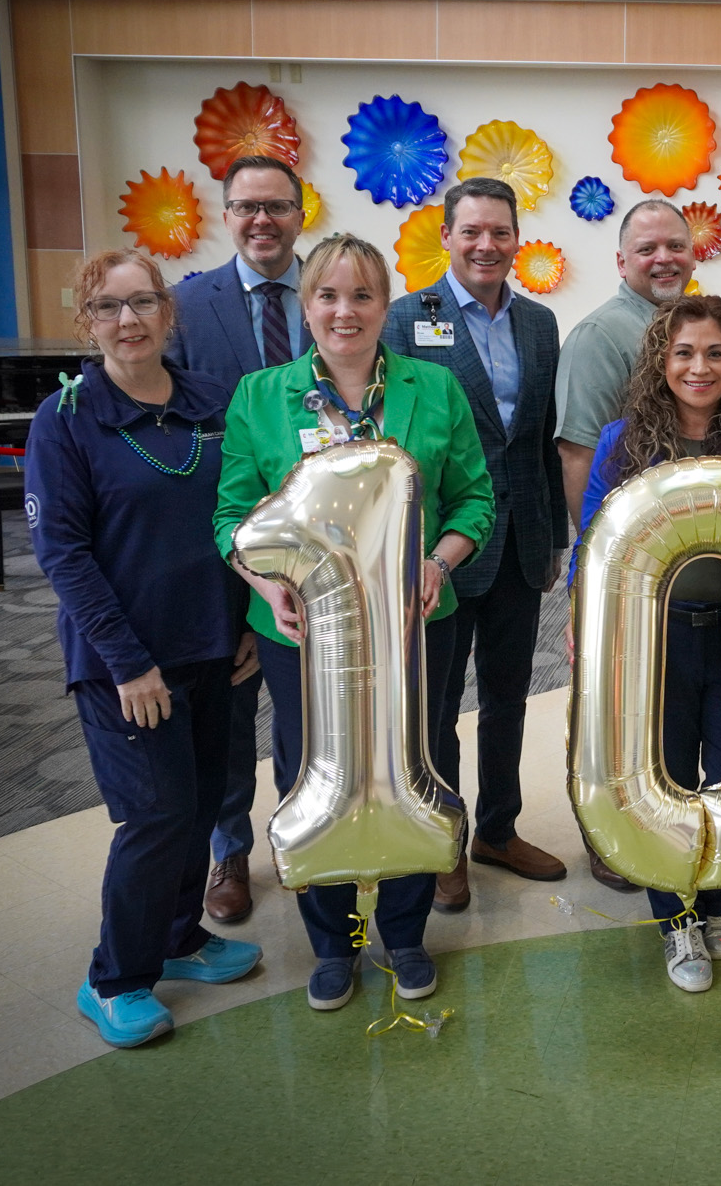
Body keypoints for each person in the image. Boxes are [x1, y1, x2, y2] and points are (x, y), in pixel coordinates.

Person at [214, 233, 494, 1012]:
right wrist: (266, 584)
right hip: (302, 635)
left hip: (415, 625)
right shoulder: (259, 396)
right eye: (328, 295)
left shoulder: (434, 388)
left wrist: (438, 562)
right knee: (315, 776)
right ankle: (335, 941)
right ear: (305, 307)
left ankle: (403, 932)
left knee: (414, 770)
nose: (346, 311)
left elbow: (475, 498)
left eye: (363, 295)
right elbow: (231, 517)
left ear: (384, 306)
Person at [25, 248, 263, 1048]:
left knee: (201, 802)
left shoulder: (210, 401)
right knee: (156, 814)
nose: (128, 320)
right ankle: (114, 978)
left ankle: (178, 935)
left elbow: (246, 519)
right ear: (86, 322)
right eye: (108, 306)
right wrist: (129, 663)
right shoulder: (65, 419)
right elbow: (63, 554)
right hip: (125, 664)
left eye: (143, 302)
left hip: (214, 646)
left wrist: (247, 621)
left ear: (169, 312)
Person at [577, 295, 721, 993]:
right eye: (683, 353)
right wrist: (583, 621)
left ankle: (715, 903)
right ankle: (675, 920)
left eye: (714, 352)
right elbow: (592, 544)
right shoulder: (623, 443)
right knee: (663, 783)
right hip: (654, 642)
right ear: (661, 361)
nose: (699, 367)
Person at [384, 178, 569, 914]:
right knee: (435, 708)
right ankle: (444, 840)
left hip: (520, 538)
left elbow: (540, 437)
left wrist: (554, 536)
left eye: (500, 231)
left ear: (517, 238)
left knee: (507, 695)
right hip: (440, 548)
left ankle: (497, 828)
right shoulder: (406, 319)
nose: (487, 245)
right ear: (447, 237)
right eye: (472, 231)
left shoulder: (540, 323)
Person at [166, 154, 309, 926]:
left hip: (327, 549)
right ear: (226, 216)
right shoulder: (187, 309)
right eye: (247, 206)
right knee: (227, 711)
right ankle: (230, 849)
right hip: (224, 548)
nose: (262, 220)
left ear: (299, 214)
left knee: (314, 709)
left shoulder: (333, 296)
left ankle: (307, 830)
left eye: (277, 206)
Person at [554, 197, 695, 890]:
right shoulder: (600, 336)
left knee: (653, 703)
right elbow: (578, 455)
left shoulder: (688, 326)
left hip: (680, 562)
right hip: (623, 562)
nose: (663, 259)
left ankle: (658, 822)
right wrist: (596, 570)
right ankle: (606, 839)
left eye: (675, 245)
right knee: (610, 702)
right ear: (621, 261)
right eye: (647, 249)